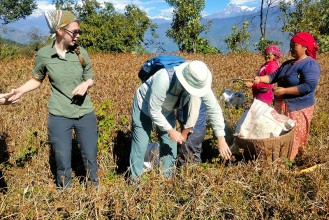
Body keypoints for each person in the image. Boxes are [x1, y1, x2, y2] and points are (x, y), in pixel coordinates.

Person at [8, 10, 99, 188]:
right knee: (62, 160)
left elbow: (90, 76)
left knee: (90, 158)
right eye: (74, 32)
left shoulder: (81, 53)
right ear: (60, 31)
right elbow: (36, 79)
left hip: (85, 113)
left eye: (79, 32)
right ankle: (65, 195)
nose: (78, 36)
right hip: (59, 115)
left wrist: (86, 84)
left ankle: (94, 192)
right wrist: (20, 90)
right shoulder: (44, 54)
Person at [130, 60, 231, 180]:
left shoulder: (200, 82)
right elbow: (154, 110)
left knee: (170, 146)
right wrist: (171, 131)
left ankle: (166, 181)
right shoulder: (164, 78)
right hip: (145, 105)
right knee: (140, 144)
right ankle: (135, 182)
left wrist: (221, 138)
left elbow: (214, 109)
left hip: (166, 109)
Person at [254, 32, 321, 160]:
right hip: (282, 107)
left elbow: (308, 86)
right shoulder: (288, 64)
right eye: (290, 45)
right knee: (280, 135)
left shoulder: (310, 64)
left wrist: (285, 91)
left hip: (298, 108)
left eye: (294, 45)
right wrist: (260, 79)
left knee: (295, 138)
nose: (291, 48)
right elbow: (273, 76)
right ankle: (281, 161)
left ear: (305, 47)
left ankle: (292, 163)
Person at [176, 98, 207, 166]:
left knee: (189, 156)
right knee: (190, 153)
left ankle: (191, 174)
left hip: (193, 128)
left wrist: (184, 134)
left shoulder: (194, 94)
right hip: (192, 126)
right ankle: (192, 172)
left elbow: (193, 115)